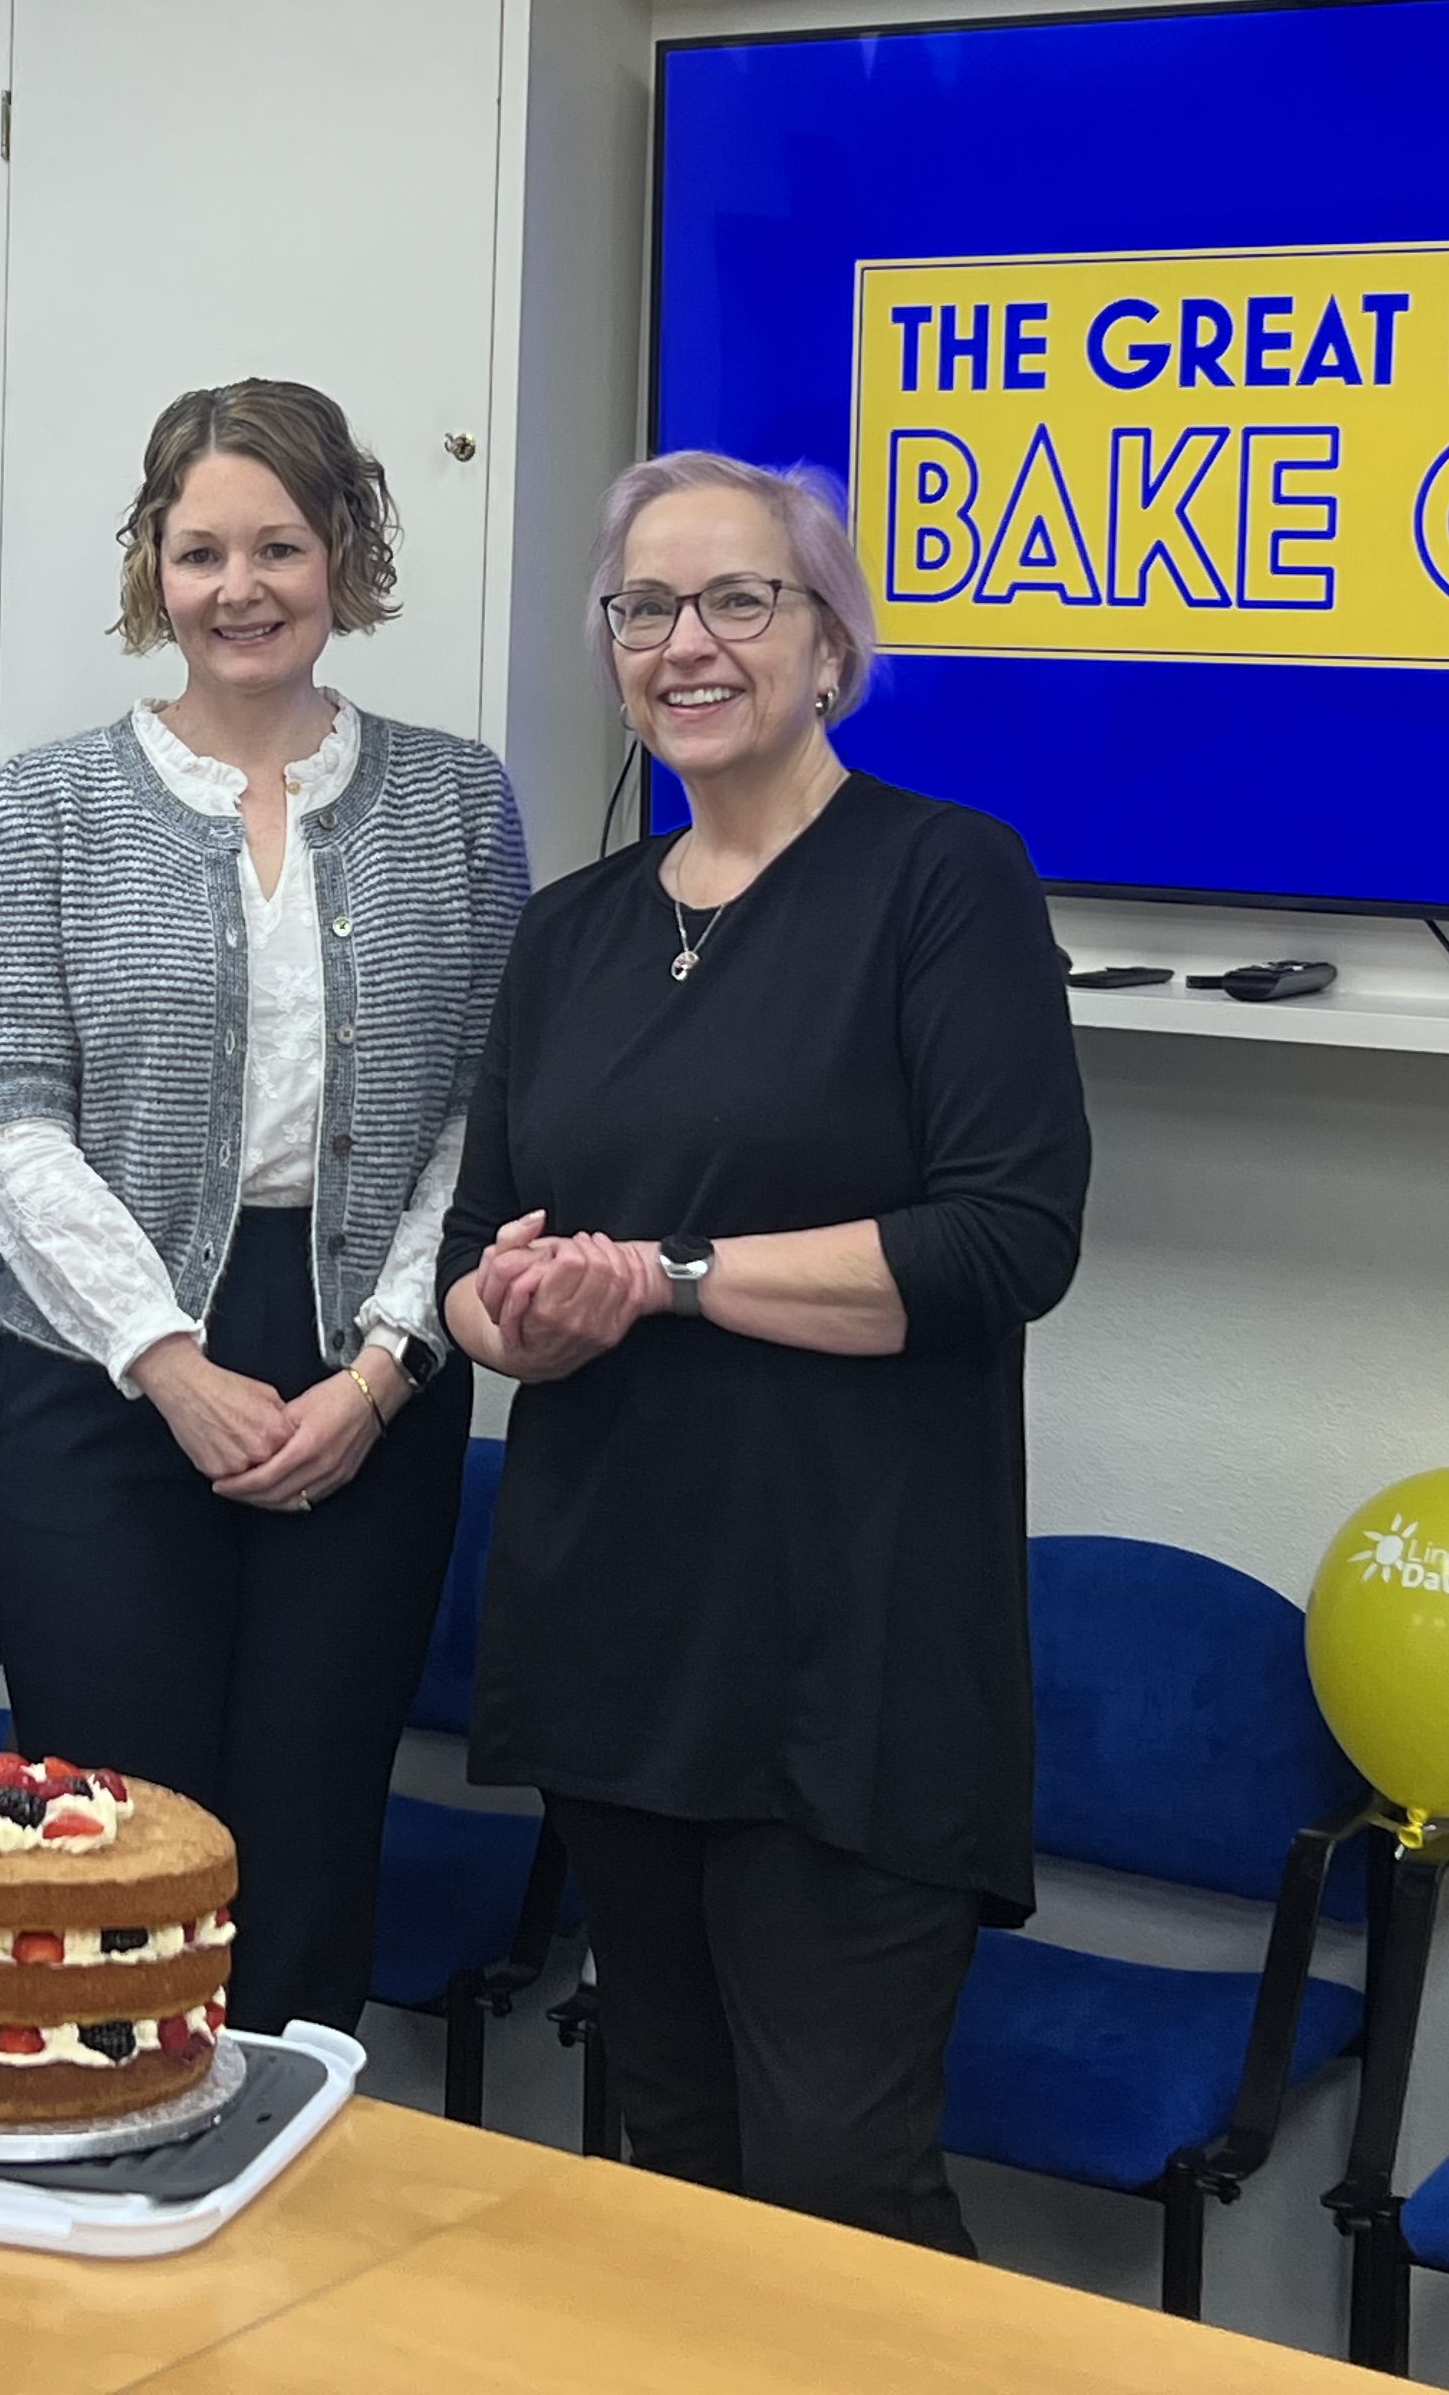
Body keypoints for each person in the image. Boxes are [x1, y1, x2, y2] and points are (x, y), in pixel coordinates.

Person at [438, 450, 1090, 2254]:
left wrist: (664, 1275)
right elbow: (474, 1257)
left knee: (838, 2184)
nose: (688, 643)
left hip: (854, 1652)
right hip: (619, 1635)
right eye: (645, 607)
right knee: (685, 2163)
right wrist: (513, 1309)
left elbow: (1005, 1241)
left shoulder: (943, 877)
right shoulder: (569, 929)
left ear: (829, 648)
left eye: (739, 599)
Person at [0, 380, 525, 2035]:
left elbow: (486, 1113)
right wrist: (165, 1358)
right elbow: (8, 1111)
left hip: (366, 1373)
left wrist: (385, 1369)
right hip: (100, 1373)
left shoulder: (456, 800)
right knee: (115, 1845)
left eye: (278, 544)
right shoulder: (46, 801)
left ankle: (283, 2168)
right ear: (153, 564)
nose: (240, 586)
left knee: (307, 1834)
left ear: (344, 548)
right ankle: (100, 2145)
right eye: (199, 549)